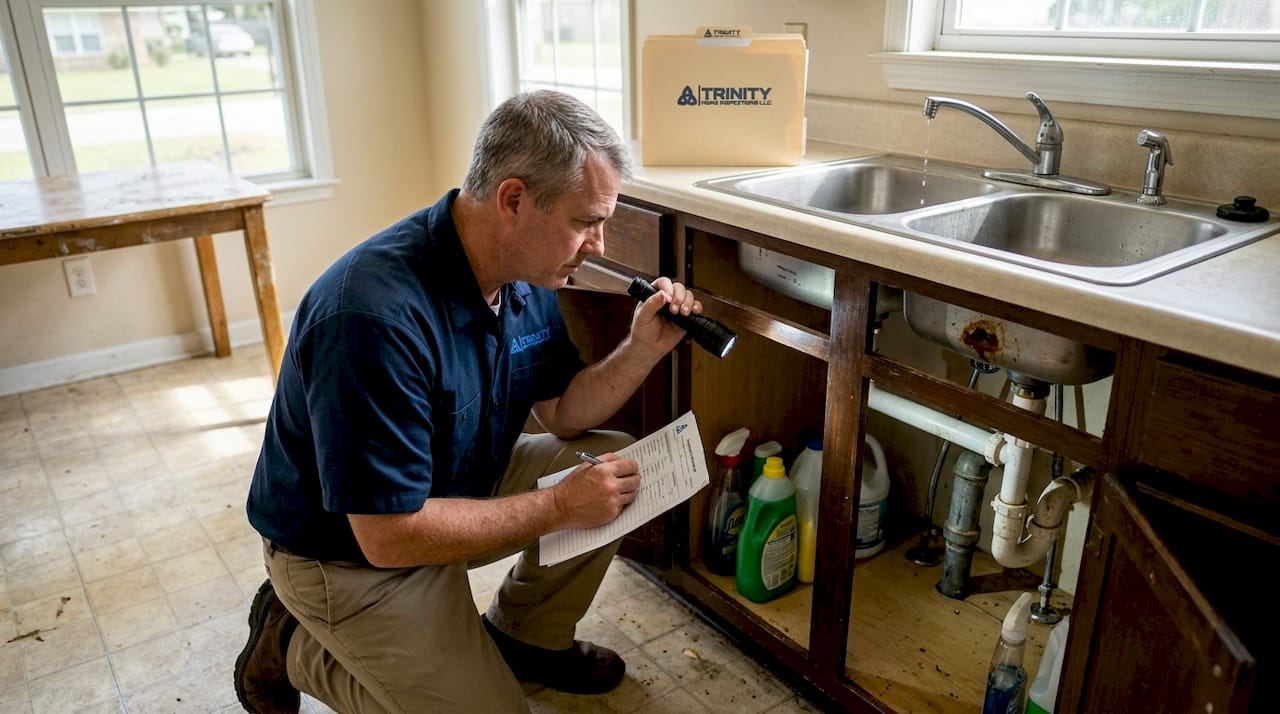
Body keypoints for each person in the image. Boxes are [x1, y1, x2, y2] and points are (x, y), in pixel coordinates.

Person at [234, 89, 706, 713]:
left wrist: (644, 347)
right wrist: (557, 504)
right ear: (513, 200)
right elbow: (389, 537)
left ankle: (525, 637)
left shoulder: (521, 271)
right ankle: (295, 644)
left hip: (449, 489)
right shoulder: (371, 317)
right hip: (349, 554)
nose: (598, 243)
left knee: (620, 467)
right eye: (585, 221)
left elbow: (564, 410)